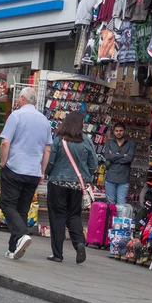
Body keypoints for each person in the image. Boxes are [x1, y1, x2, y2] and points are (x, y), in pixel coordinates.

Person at [0, 87, 52, 260]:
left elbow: (5, 142)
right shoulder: (45, 121)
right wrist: (42, 171)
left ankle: (22, 234)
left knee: (7, 205)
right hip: (33, 172)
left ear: (22, 99)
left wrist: (3, 162)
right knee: (22, 209)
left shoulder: (16, 116)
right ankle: (13, 248)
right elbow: (47, 150)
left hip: (15, 168)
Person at [45, 111, 98, 264]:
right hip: (76, 185)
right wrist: (84, 173)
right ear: (81, 124)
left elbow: (50, 162)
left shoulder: (59, 140)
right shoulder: (87, 141)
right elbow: (93, 164)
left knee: (57, 217)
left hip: (57, 183)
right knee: (74, 215)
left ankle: (57, 254)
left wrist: (49, 173)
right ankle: (79, 243)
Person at [103, 122, 135, 204]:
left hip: (123, 178)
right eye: (116, 131)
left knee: (121, 204)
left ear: (124, 131)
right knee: (110, 204)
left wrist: (113, 156)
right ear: (113, 132)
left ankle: (118, 217)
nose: (118, 133)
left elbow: (129, 158)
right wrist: (123, 155)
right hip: (111, 177)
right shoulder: (109, 143)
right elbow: (107, 157)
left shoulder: (130, 144)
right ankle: (111, 217)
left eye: (121, 130)